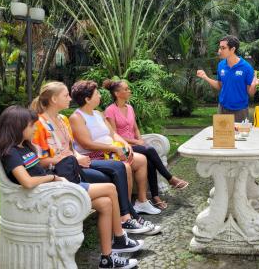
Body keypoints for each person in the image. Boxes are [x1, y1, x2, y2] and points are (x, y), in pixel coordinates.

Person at [0, 106, 143, 269]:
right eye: (31, 125)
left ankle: (107, 258)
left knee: (106, 203)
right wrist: (53, 177)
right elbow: (27, 182)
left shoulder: (25, 147)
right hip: (48, 195)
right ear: (17, 126)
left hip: (54, 190)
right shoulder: (11, 153)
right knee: (109, 188)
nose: (35, 128)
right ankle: (120, 238)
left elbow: (37, 172)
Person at [31, 81, 156, 234]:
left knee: (120, 167)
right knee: (117, 170)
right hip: (61, 172)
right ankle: (127, 218)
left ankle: (128, 218)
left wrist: (76, 156)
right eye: (65, 95)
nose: (70, 99)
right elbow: (40, 162)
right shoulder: (39, 124)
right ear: (54, 99)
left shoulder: (63, 119)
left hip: (76, 165)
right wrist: (76, 158)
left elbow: (71, 148)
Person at [69, 80, 162, 217]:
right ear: (87, 99)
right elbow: (86, 144)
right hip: (95, 155)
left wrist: (124, 144)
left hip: (111, 151)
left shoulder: (98, 114)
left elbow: (113, 133)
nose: (100, 96)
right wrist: (113, 148)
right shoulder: (76, 117)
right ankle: (126, 209)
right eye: (97, 94)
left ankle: (141, 201)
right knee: (127, 167)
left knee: (141, 160)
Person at [103, 79, 188, 209]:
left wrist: (139, 139)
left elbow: (135, 128)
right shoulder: (110, 110)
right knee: (150, 150)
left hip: (135, 143)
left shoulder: (130, 107)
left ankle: (155, 196)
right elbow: (115, 134)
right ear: (116, 93)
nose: (129, 91)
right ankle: (170, 179)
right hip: (122, 146)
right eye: (126, 89)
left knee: (149, 160)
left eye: (128, 88)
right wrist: (137, 142)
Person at [196, 35, 259, 122]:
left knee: (240, 136)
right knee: (222, 136)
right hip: (222, 108)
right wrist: (205, 77)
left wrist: (253, 85)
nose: (219, 51)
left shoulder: (246, 67)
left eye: (223, 48)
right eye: (219, 48)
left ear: (233, 49)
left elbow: (251, 93)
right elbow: (220, 86)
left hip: (240, 111)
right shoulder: (221, 65)